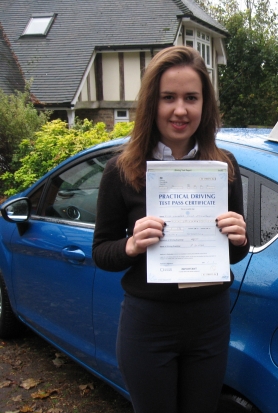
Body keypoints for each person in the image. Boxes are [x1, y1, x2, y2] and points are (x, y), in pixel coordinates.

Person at [92, 46, 249, 413]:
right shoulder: (122, 170)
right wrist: (131, 246)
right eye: (169, 98)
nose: (181, 110)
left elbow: (236, 254)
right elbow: (102, 252)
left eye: (191, 98)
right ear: (152, 103)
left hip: (209, 323)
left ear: (204, 105)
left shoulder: (224, 167)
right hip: (148, 327)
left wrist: (239, 237)